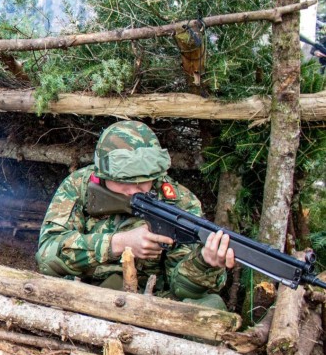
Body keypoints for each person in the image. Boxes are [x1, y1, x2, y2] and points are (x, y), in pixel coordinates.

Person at [36, 120, 234, 310]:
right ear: (103, 175)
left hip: (152, 303)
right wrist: (118, 243)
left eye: (143, 182)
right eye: (124, 181)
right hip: (85, 293)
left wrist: (204, 263)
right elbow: (47, 256)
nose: (133, 190)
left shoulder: (178, 201)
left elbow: (182, 289)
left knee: (211, 306)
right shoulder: (79, 185)